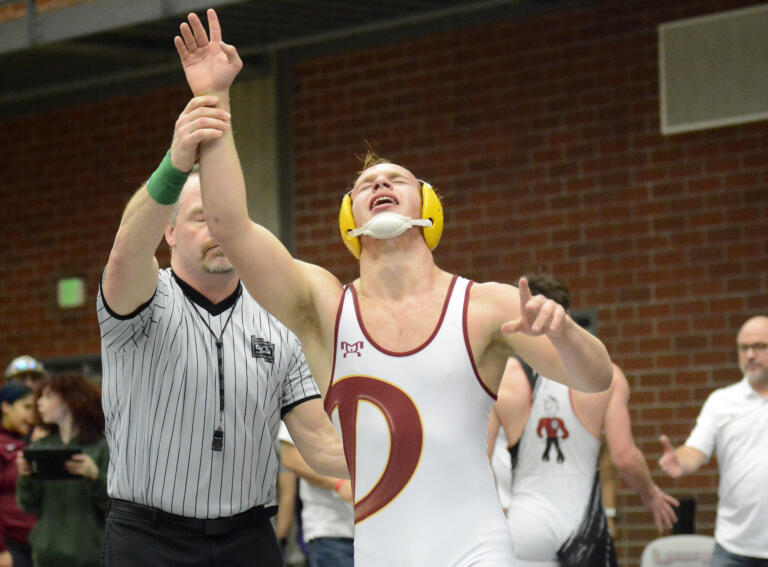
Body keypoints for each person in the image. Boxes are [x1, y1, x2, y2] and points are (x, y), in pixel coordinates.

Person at [173, 10, 613, 565]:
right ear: (348, 219)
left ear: (428, 210)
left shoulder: (485, 305)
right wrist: (216, 100)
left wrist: (566, 333)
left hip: (478, 548)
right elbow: (231, 227)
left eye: (396, 179)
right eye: (365, 185)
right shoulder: (324, 306)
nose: (379, 182)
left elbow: (595, 378)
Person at [97, 95, 347, 567]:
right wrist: (175, 162)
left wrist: (409, 453)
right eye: (201, 218)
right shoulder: (141, 301)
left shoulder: (277, 318)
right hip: (148, 540)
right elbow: (125, 254)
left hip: (247, 538)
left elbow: (319, 444)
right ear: (169, 233)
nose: (219, 231)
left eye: (225, 219)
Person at [492, 273, 678, 567]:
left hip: (525, 524)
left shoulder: (502, 377)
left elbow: (478, 458)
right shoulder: (607, 375)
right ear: (565, 316)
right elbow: (624, 457)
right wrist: (650, 493)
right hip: (584, 523)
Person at [659, 315, 768, 567]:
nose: (750, 355)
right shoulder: (721, 401)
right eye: (744, 347)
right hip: (734, 548)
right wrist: (679, 462)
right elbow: (694, 451)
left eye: (760, 346)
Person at [16, 373, 109, 567]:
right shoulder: (39, 447)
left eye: (48, 396)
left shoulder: (102, 448)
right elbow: (27, 505)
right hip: (46, 554)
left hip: (90, 555)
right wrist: (26, 476)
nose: (39, 403)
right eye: (40, 397)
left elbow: (114, 508)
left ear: (71, 400)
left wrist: (95, 477)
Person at [278, 422, 354, 567]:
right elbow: (291, 458)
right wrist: (338, 484)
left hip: (371, 529)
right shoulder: (312, 401)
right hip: (331, 531)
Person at [0, 384, 37, 567]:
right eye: (26, 407)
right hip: (10, 546)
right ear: (6, 407)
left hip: (33, 542)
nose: (32, 415)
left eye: (35, 409)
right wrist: (1, 550)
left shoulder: (25, 442)